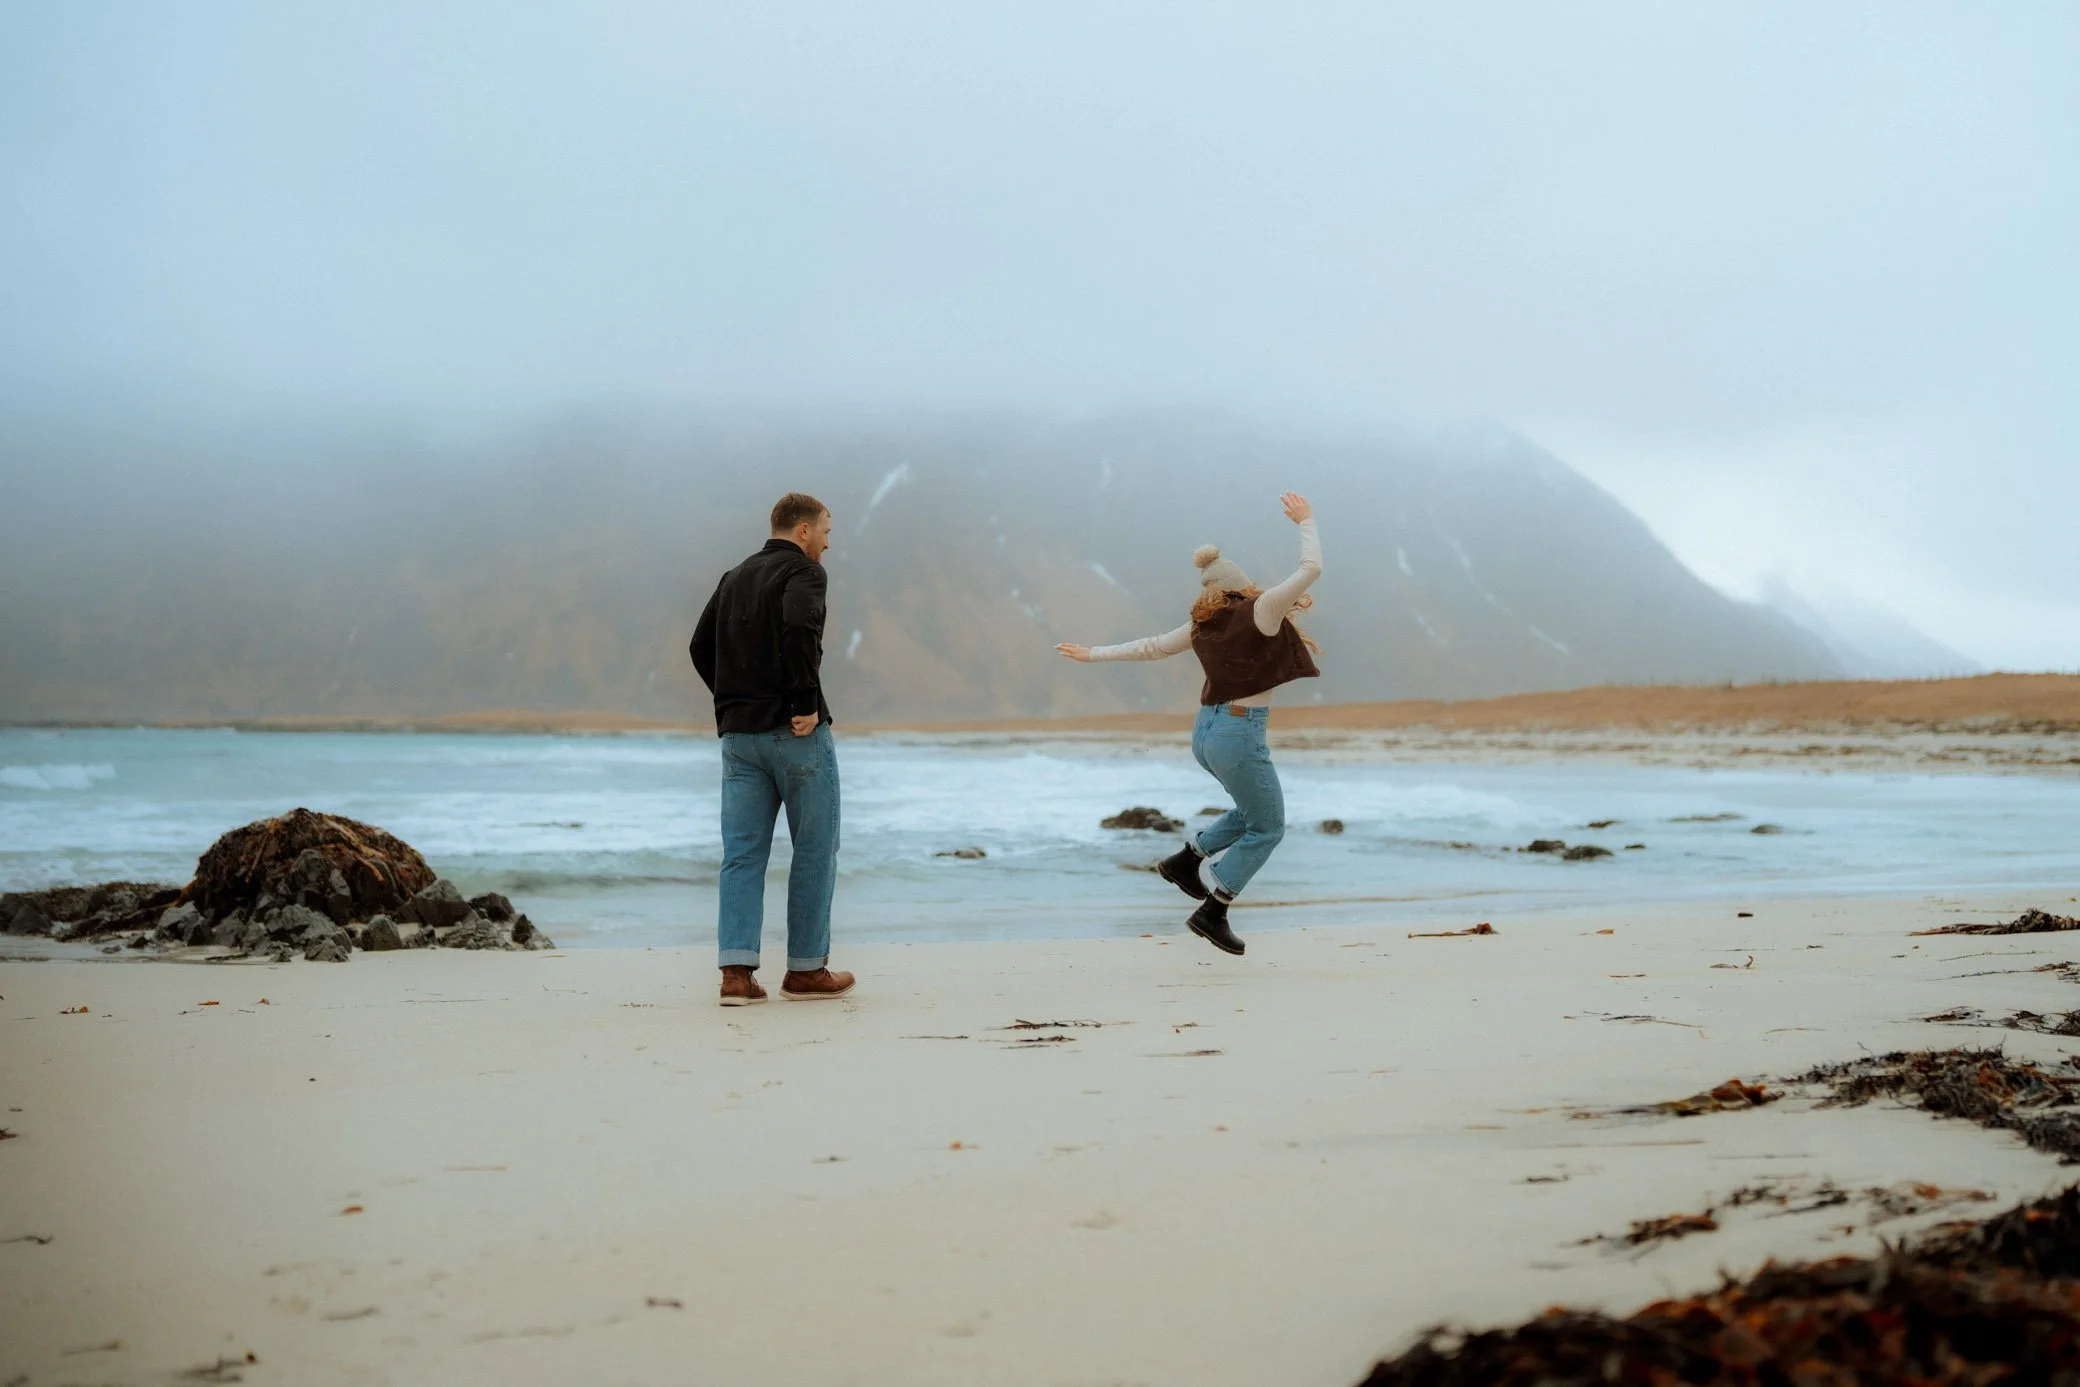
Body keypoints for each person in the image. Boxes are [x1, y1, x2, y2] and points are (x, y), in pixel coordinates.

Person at [1056, 492, 1321, 956]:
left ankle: (1186, 860)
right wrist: (1306, 521)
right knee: (1270, 827)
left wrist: (1093, 654)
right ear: (1242, 587)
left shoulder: (1203, 625)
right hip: (1239, 732)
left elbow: (1151, 646)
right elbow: (1310, 570)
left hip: (1206, 734)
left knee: (1248, 813)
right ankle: (1213, 911)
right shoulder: (1261, 611)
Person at [689, 492, 856, 1006]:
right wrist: (803, 699)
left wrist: (732, 701)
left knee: (741, 855)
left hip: (739, 739)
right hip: (795, 732)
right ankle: (805, 970)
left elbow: (699, 646)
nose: (829, 542)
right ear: (802, 530)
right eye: (826, 530)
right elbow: (800, 627)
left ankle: (736, 976)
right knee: (814, 849)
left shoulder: (733, 576)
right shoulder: (804, 573)